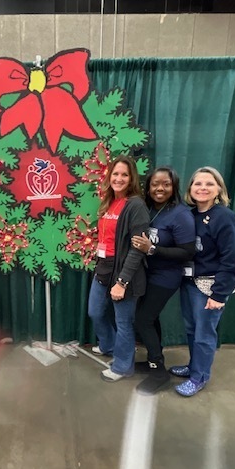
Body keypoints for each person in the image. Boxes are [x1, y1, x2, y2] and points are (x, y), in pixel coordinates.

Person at [169, 166, 235, 397]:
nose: (203, 188)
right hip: (189, 282)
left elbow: (231, 259)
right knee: (192, 329)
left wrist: (219, 294)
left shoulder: (225, 217)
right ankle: (194, 367)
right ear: (190, 188)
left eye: (209, 184)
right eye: (198, 183)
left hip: (209, 287)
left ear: (219, 189)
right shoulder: (190, 215)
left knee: (204, 334)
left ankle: (199, 377)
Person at [131, 166, 196, 395]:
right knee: (150, 318)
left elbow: (187, 252)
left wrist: (153, 249)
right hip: (147, 273)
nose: (160, 188)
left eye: (166, 184)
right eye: (155, 184)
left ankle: (159, 372)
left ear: (174, 187)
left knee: (143, 320)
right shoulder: (147, 208)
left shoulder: (181, 214)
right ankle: (153, 360)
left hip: (166, 277)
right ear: (148, 187)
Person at [88, 155, 150, 382]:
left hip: (125, 271)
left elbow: (137, 249)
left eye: (125, 174)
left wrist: (122, 282)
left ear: (132, 178)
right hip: (104, 266)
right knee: (95, 312)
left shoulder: (136, 205)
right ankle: (108, 345)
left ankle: (123, 366)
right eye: (115, 174)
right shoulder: (109, 201)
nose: (119, 178)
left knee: (123, 322)